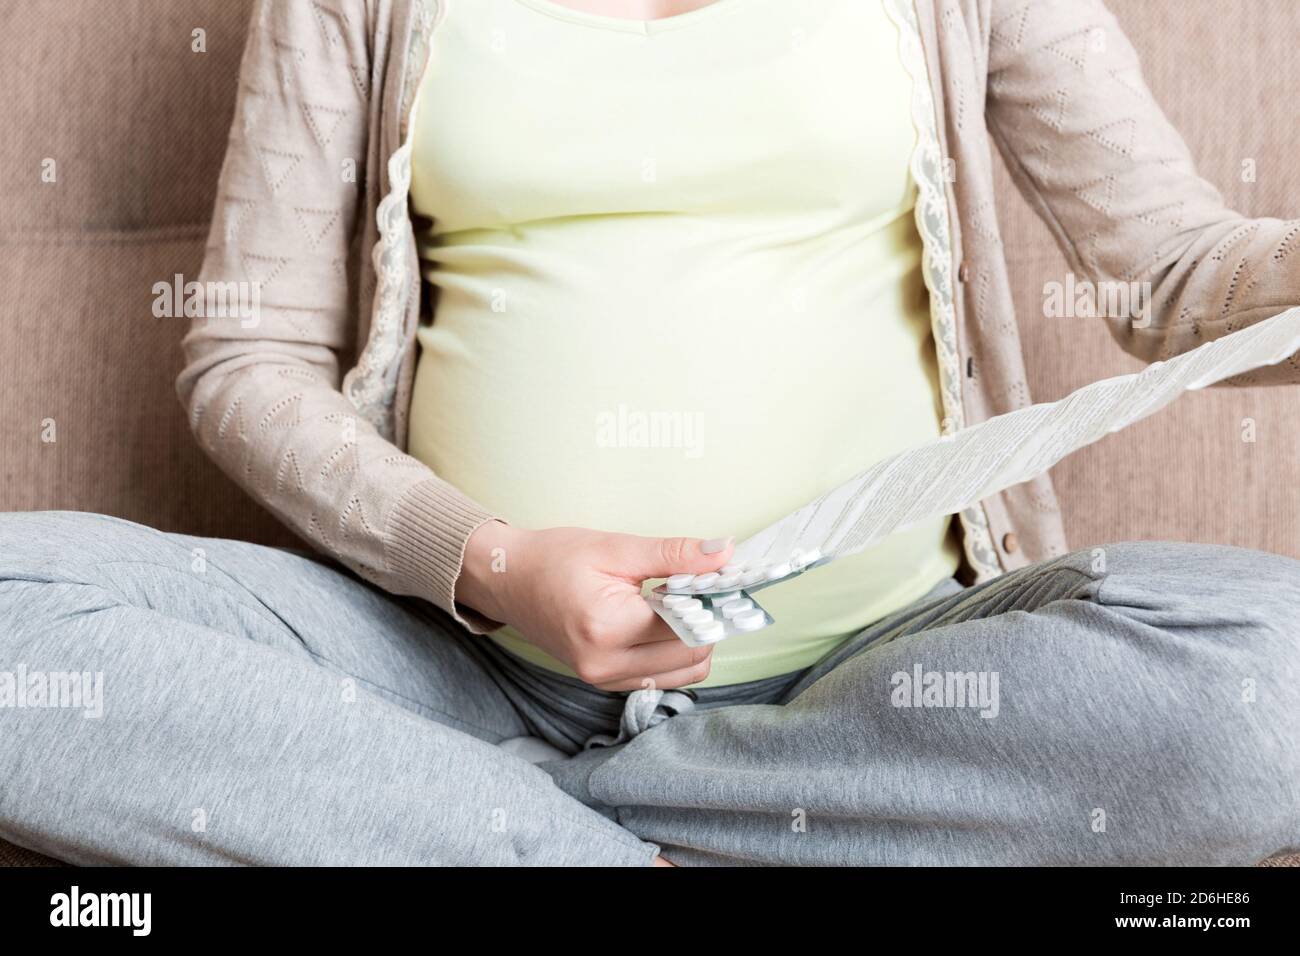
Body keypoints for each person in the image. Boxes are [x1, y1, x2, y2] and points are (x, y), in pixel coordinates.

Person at [1, 0, 1297, 866]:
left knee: (1275, 688)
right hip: (457, 666)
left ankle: (499, 827)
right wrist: (491, 562)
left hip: (884, 683)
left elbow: (1177, 276)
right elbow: (247, 358)